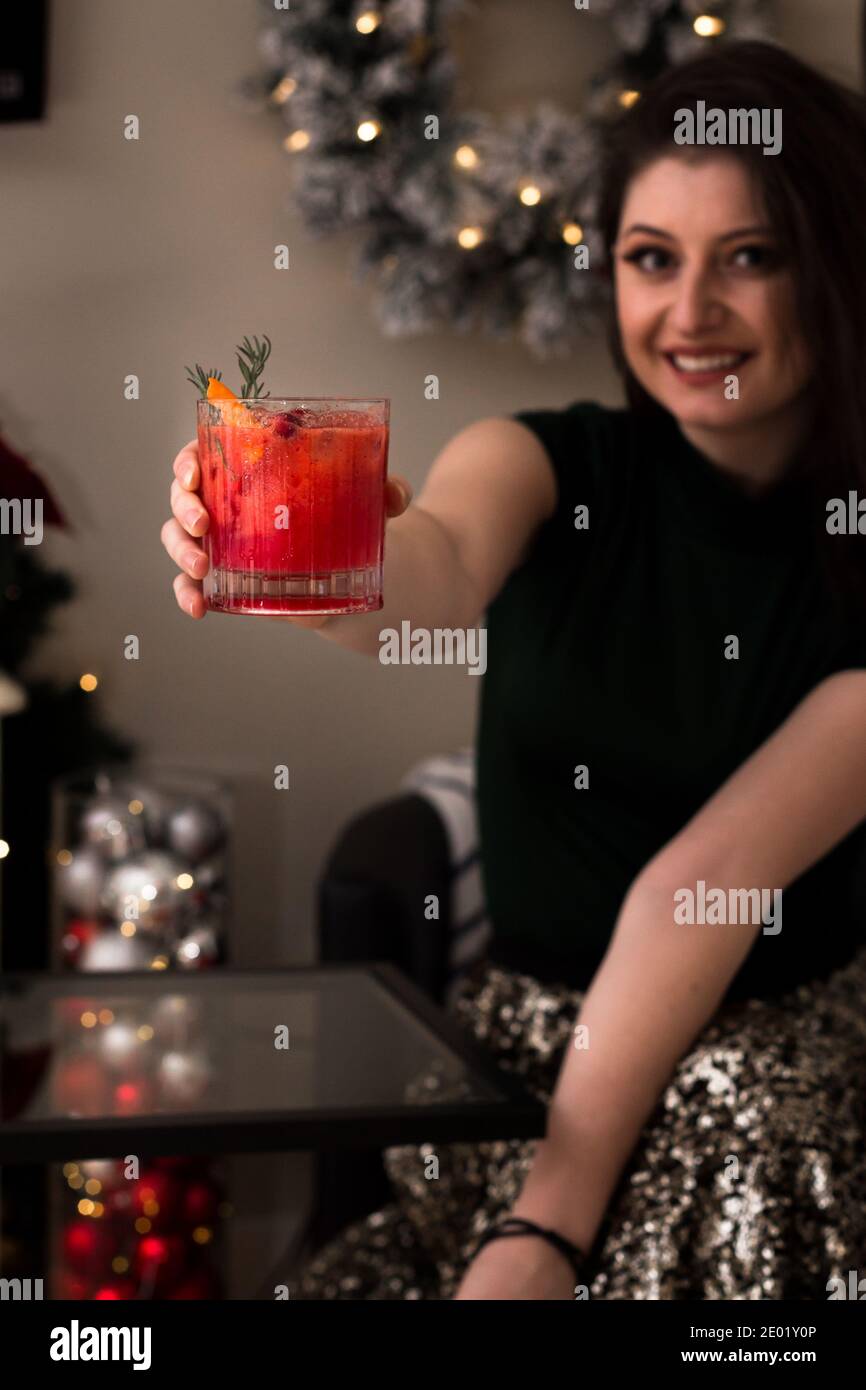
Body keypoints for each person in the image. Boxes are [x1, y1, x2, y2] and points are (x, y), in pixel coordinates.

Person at [161, 41, 866, 1300]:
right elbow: (426, 574)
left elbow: (702, 884)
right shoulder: (546, 464)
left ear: (835, 269)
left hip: (758, 1081)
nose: (687, 312)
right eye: (651, 259)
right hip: (520, 1055)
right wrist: (336, 556)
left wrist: (546, 1225)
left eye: (747, 257)